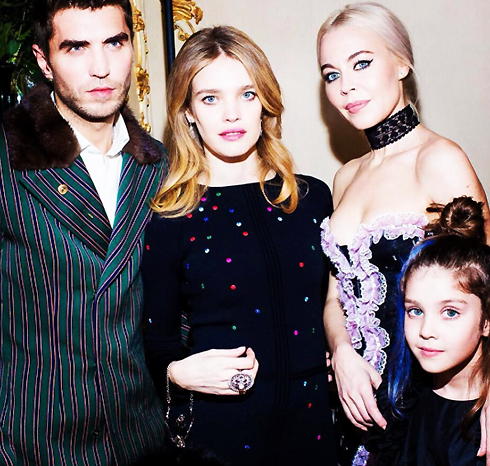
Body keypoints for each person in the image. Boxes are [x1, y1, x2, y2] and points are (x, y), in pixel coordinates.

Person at [142, 26, 336, 466]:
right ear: (188, 112)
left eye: (246, 95)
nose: (231, 114)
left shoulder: (312, 198)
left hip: (313, 428)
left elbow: (336, 303)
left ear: (264, 102)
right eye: (210, 98)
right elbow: (156, 339)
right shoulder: (171, 216)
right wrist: (176, 372)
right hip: (221, 435)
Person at [316, 2, 490, 464]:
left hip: (427, 401)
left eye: (361, 63)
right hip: (355, 402)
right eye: (331, 74)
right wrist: (342, 353)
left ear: (401, 63)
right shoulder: (345, 177)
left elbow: (486, 290)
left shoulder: (439, 159)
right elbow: (334, 297)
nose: (345, 86)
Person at [0, 1, 166, 464]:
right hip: (33, 441)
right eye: (76, 47)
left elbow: (173, 296)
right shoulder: (7, 158)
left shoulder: (160, 166)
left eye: (114, 43)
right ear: (43, 60)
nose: (101, 67)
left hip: (140, 438)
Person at [378, 196, 490, 465]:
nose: (426, 331)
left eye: (450, 312)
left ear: (487, 321)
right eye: (415, 311)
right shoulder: (400, 400)